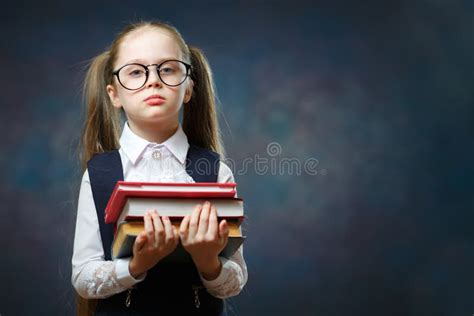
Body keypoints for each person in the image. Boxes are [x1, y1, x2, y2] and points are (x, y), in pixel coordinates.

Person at [71, 20, 247, 315]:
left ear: (189, 87)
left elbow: (236, 280)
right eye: (136, 71)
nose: (154, 80)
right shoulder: (99, 174)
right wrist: (136, 265)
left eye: (167, 69)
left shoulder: (216, 172)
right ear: (114, 94)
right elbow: (83, 277)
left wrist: (208, 261)